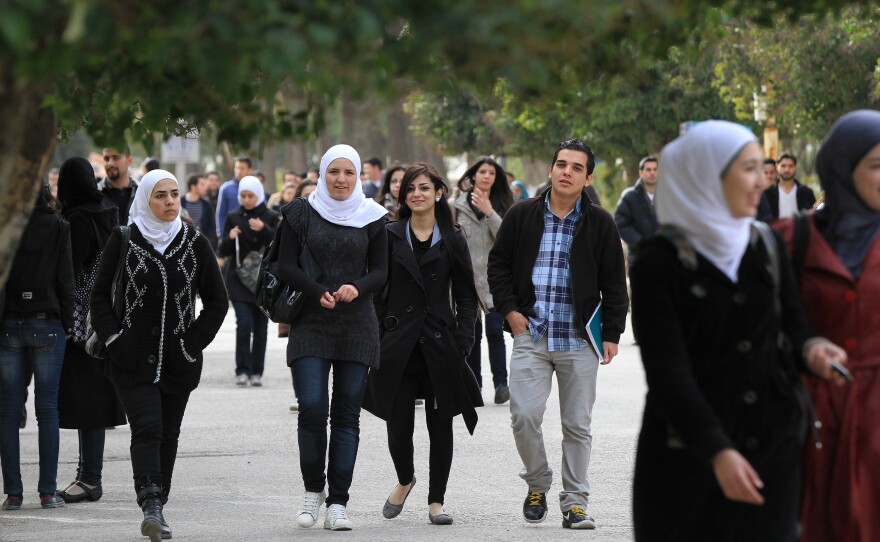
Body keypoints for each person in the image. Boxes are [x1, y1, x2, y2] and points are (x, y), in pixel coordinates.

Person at [629, 121, 848, 541]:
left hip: (772, 448)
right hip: (686, 458)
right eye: (748, 169)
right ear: (708, 174)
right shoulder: (658, 262)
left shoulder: (763, 244)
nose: (760, 180)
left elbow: (794, 324)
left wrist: (813, 349)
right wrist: (717, 451)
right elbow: (668, 373)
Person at [487, 138, 628, 529]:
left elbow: (616, 282)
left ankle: (576, 502)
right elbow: (498, 266)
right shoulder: (521, 214)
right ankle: (538, 482)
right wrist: (511, 312)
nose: (567, 171)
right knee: (523, 416)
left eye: (576, 167)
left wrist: (612, 333)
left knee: (577, 425)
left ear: (587, 178)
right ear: (550, 170)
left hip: (579, 339)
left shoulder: (600, 222)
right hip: (532, 334)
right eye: (561, 164)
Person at [90, 169, 227, 541]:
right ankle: (150, 503)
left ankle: (159, 504)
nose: (169, 202)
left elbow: (217, 302)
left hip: (178, 362)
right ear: (145, 200)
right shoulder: (124, 239)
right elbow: (99, 296)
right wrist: (116, 341)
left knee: (168, 434)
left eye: (174, 194)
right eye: (160, 196)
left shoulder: (195, 242)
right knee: (147, 428)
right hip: (130, 361)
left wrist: (191, 342)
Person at [773, 110, 880, 542]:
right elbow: (757, 327)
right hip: (807, 419)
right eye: (876, 165)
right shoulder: (786, 239)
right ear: (841, 167)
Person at [363, 163, 481, 525]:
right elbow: (377, 286)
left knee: (440, 423)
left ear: (438, 193)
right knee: (397, 424)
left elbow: (464, 293)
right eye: (411, 189)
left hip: (439, 342)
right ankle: (405, 478)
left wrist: (463, 338)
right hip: (398, 343)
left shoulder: (453, 236)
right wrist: (382, 330)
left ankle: (436, 501)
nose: (417, 194)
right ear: (403, 196)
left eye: (425, 188)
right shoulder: (389, 233)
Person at [277, 144, 387, 531]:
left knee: (345, 415)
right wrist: (313, 289)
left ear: (358, 176)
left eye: (349, 173)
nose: (341, 179)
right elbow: (285, 264)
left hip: (357, 325)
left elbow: (381, 271)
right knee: (310, 408)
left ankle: (338, 502)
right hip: (311, 322)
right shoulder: (299, 211)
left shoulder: (373, 216)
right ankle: (312, 491)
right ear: (322, 173)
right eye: (334, 172)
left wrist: (357, 287)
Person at [54, 157, 127, 505]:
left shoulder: (76, 220)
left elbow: (68, 270)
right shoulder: (108, 211)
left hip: (79, 322)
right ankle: (88, 475)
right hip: (105, 319)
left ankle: (89, 478)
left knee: (87, 399)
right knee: (96, 397)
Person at [0, 183, 73, 511]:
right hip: (47, 321)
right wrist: (70, 321)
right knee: (48, 409)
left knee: (8, 410)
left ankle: (13, 494)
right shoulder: (59, 226)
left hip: (9, 323)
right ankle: (47, 492)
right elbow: (65, 278)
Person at [454, 157, 514, 405]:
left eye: (491, 172)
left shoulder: (504, 206)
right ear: (473, 176)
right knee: (473, 335)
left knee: (495, 333)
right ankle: (474, 384)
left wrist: (490, 212)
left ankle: (501, 384)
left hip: (495, 281)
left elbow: (506, 239)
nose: (487, 176)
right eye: (482, 171)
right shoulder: (455, 206)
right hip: (467, 282)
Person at [217, 176, 279, 387]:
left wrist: (264, 229)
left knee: (261, 328)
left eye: (250, 195)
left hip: (262, 281)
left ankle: (257, 372)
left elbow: (278, 245)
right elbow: (222, 249)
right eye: (243, 195)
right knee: (244, 324)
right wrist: (230, 237)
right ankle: (242, 369)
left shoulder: (270, 216)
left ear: (259, 195)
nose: (246, 199)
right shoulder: (234, 216)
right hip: (239, 280)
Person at [614, 156, 660, 262]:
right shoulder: (629, 196)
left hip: (665, 257)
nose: (652, 173)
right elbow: (620, 224)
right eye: (648, 169)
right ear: (641, 173)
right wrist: (641, 243)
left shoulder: (667, 195)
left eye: (655, 169)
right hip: (639, 257)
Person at [759, 152, 817, 220]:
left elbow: (814, 218)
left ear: (795, 167)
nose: (787, 170)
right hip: (774, 230)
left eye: (790, 166)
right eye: (783, 166)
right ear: (777, 166)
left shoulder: (806, 192)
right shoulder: (767, 193)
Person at [98, 146, 139, 225]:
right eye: (106, 159)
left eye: (116, 158)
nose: (110, 163)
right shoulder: (95, 195)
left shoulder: (141, 193)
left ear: (129, 160)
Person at [215, 156, 253, 237]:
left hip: (252, 234)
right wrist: (221, 235)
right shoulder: (226, 189)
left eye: (242, 168)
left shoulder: (256, 188)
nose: (239, 171)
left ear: (249, 170)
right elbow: (221, 214)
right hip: (231, 234)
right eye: (237, 168)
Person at [180, 173, 217, 249]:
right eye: (202, 184)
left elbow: (211, 226)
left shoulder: (206, 205)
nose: (205, 187)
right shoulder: (180, 202)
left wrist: (206, 241)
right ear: (193, 187)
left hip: (201, 246)